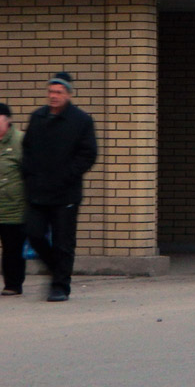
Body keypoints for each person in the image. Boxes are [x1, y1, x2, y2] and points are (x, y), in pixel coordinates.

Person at [23, 73, 98, 303]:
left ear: (68, 94)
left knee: (64, 241)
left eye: (58, 92)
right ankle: (57, 268)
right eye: (51, 92)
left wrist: (67, 175)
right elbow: (27, 149)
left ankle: (60, 287)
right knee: (34, 234)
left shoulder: (81, 121)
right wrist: (30, 176)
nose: (53, 96)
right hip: (38, 192)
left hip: (66, 192)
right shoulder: (38, 117)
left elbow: (88, 154)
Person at [0, 103, 25, 296]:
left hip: (14, 206)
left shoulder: (20, 141)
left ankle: (13, 284)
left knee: (12, 248)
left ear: (7, 121)